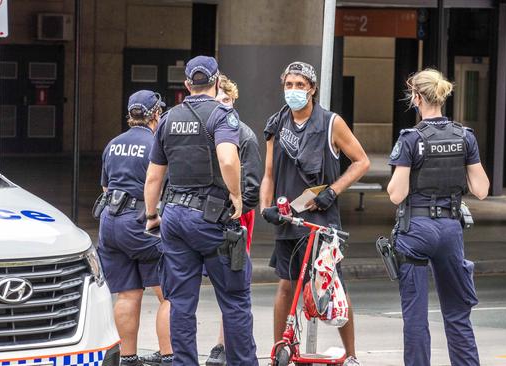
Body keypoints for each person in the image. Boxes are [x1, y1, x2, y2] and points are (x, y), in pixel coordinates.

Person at [143, 55, 257, 366]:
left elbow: (154, 175)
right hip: (211, 219)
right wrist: (236, 195)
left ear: (187, 85)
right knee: (234, 300)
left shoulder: (167, 119)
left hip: (174, 217)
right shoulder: (222, 116)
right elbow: (229, 160)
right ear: (217, 81)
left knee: (180, 302)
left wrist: (152, 215)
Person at [260, 61, 370, 366]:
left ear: (312, 88)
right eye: (289, 85)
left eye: (300, 85)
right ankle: (280, 351)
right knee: (286, 286)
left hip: (320, 222)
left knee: (333, 287)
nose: (294, 90)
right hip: (287, 219)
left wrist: (333, 191)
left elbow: (361, 162)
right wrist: (265, 206)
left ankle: (351, 356)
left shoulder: (331, 123)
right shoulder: (275, 124)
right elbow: (268, 173)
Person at [387, 68, 490, 366]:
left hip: (417, 229)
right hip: (450, 228)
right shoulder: (464, 136)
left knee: (416, 318)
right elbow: (481, 189)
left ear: (417, 98)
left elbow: (396, 193)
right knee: (458, 313)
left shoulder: (411, 139)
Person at [97, 90, 173, 366]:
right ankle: (169, 357)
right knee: (170, 293)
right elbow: (161, 186)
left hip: (111, 222)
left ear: (130, 114)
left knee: (127, 293)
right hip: (142, 222)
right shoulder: (157, 144)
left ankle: (127, 358)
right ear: (155, 114)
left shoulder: (113, 144)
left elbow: (106, 187)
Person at [205, 74, 262, 366]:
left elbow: (251, 186)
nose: (223, 106)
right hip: (206, 215)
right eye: (218, 101)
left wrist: (235, 210)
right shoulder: (205, 132)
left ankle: (223, 344)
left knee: (234, 283)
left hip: (237, 216)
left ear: (234, 101)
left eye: (227, 101)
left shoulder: (244, 134)